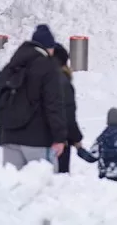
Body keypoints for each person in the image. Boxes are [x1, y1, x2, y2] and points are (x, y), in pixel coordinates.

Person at [0, 25, 67, 170]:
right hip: (38, 140)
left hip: (9, 137)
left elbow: (1, 100)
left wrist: (0, 133)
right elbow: (53, 104)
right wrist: (59, 138)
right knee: (43, 188)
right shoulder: (48, 67)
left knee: (12, 187)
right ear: (48, 47)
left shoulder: (12, 66)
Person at [51, 46, 83, 174]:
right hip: (59, 140)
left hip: (34, 141)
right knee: (58, 182)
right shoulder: (62, 82)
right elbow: (68, 113)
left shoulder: (36, 78)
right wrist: (76, 138)